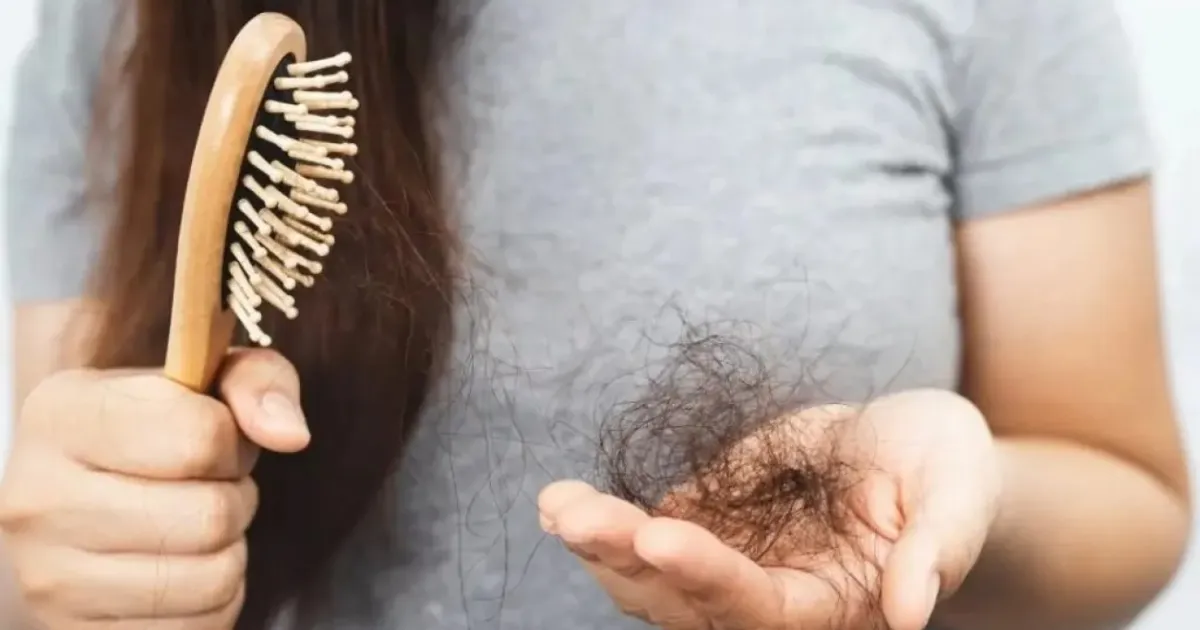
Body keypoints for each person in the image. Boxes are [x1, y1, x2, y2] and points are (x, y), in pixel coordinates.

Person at [1, 0, 1191, 629]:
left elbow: (1130, 506)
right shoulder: (123, 24)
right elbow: (79, 541)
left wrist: (946, 513)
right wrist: (55, 573)